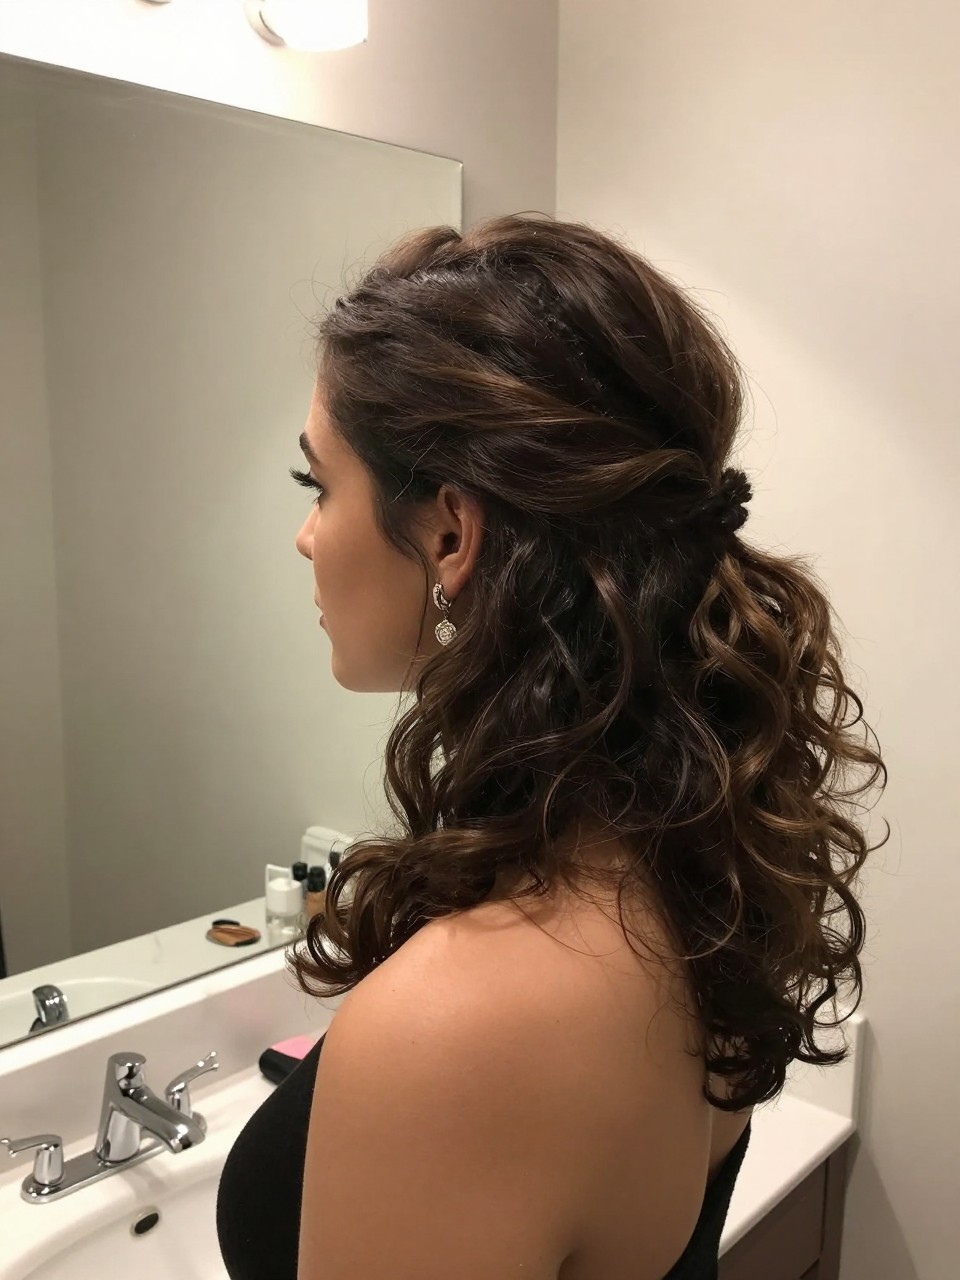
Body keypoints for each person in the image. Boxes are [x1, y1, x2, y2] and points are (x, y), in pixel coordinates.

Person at [216, 213, 886, 1280]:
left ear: (450, 532)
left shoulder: (458, 1029)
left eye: (319, 484)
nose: (306, 533)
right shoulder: (690, 871)